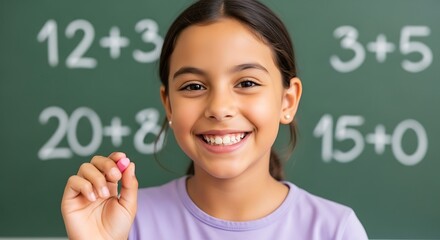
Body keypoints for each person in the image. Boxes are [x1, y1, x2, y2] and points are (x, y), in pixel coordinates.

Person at [61, 0, 369, 239]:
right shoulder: (125, 221)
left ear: (287, 101)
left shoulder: (334, 231)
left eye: (247, 83)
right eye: (193, 86)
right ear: (168, 104)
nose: (219, 108)